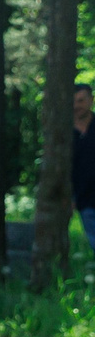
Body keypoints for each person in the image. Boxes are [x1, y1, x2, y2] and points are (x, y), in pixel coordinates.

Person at [70, 82, 95, 252]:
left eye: (81, 100)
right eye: (74, 101)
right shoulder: (65, 133)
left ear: (91, 100)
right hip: (84, 200)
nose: (77, 105)